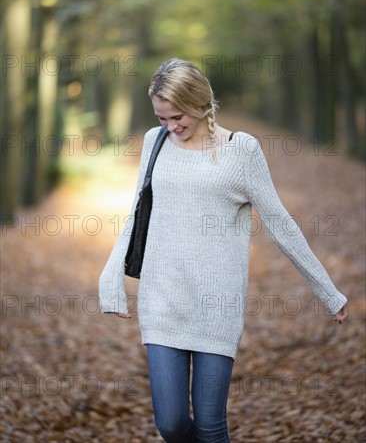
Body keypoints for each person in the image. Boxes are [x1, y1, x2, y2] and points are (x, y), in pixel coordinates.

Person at [99, 58, 348, 443]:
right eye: (162, 118)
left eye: (177, 116)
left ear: (201, 103)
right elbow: (137, 214)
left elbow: (281, 224)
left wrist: (328, 292)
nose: (170, 126)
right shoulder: (155, 142)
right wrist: (110, 278)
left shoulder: (240, 151)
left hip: (217, 305)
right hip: (162, 298)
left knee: (211, 425)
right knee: (171, 425)